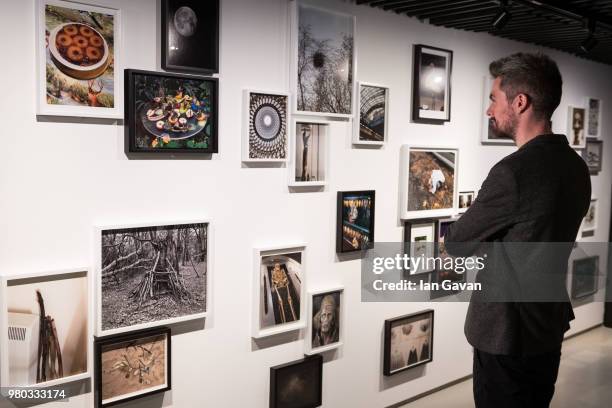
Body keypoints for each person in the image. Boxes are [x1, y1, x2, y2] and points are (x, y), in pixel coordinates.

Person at [445, 52, 591, 408]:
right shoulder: (575, 167)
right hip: (546, 325)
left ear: (520, 102)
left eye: (494, 99)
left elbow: (457, 242)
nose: (489, 110)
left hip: (506, 334)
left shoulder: (512, 173)